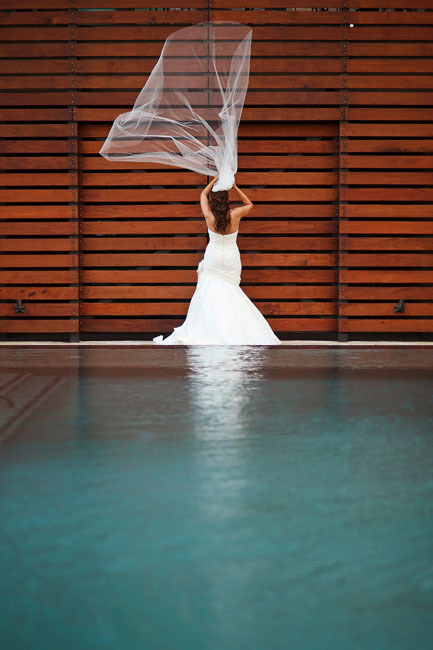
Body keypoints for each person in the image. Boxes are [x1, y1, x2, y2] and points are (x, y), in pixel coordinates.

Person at [153, 175, 281, 345]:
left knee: (211, 290)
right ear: (227, 201)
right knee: (230, 290)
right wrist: (234, 187)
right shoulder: (235, 215)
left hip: (213, 256)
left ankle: (212, 329)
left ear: (214, 201)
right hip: (230, 257)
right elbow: (250, 205)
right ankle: (233, 329)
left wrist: (213, 181)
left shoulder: (209, 216)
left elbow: (202, 196)